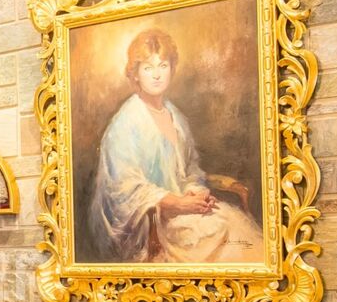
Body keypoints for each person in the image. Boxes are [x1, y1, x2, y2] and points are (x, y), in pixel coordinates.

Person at [86, 28, 262, 263]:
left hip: (183, 212)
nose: (157, 75)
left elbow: (190, 169)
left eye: (163, 66)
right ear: (135, 74)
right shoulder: (125, 123)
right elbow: (125, 189)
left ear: (172, 69)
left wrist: (196, 193)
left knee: (232, 225)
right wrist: (178, 203)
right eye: (148, 68)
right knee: (219, 231)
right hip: (149, 225)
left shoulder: (175, 117)